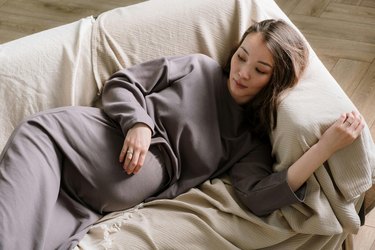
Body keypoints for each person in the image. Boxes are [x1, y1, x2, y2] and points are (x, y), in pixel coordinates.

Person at [0, 19, 364, 250]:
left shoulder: (248, 141)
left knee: (34, 148)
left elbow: (258, 197)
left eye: (260, 69)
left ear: (276, 79)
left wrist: (322, 149)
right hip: (79, 147)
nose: (242, 72)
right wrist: (138, 123)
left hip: (100, 190)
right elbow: (122, 84)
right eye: (241, 57)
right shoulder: (198, 67)